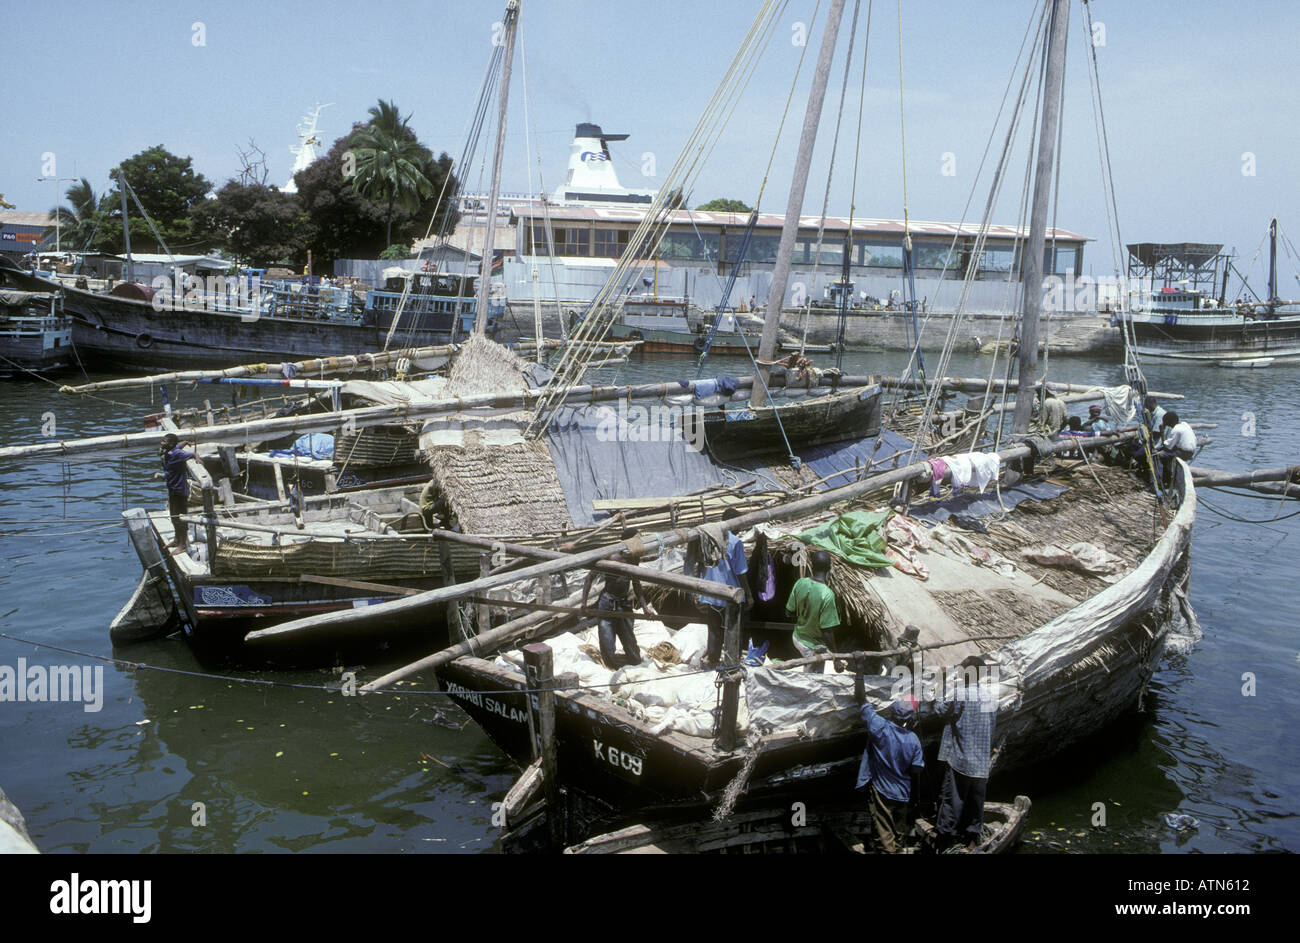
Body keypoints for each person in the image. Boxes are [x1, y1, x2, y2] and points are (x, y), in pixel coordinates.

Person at [934, 655, 996, 851]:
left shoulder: (960, 694)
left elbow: (940, 710)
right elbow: (992, 726)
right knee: (976, 802)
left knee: (953, 801)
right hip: (981, 762)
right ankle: (972, 839)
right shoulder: (990, 697)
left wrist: (940, 683)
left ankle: (945, 840)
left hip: (961, 760)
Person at [856, 697, 925, 853]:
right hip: (902, 794)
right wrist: (915, 798)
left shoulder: (879, 727)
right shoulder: (914, 740)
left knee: (884, 839)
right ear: (911, 718)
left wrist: (859, 674)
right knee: (897, 837)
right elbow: (916, 771)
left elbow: (860, 699)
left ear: (892, 712)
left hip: (882, 792)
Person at [689, 509, 752, 669]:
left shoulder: (708, 539)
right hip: (731, 596)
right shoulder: (735, 542)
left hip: (711, 594)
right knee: (733, 631)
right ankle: (732, 665)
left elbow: (698, 565)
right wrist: (749, 595)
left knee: (714, 631)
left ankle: (712, 662)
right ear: (732, 523)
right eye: (739, 523)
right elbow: (741, 572)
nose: (741, 527)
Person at [582, 533, 656, 668]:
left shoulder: (633, 559)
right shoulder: (610, 556)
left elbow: (636, 582)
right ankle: (611, 668)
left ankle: (636, 664)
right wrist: (583, 604)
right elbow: (589, 578)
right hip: (607, 603)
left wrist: (645, 607)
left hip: (624, 602)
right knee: (607, 640)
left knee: (629, 638)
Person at [785, 549, 840, 673]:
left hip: (797, 637)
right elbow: (827, 631)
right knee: (813, 680)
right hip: (812, 645)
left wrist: (805, 617)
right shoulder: (827, 594)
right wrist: (836, 658)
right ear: (829, 568)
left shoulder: (800, 583)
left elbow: (789, 612)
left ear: (812, 565)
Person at [159, 433, 195, 552]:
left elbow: (192, 454)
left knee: (181, 518)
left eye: (164, 441)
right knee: (173, 516)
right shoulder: (170, 451)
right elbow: (179, 445)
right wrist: (186, 442)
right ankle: (176, 539)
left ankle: (183, 544)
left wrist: (197, 458)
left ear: (170, 444)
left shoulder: (177, 454)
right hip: (172, 488)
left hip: (180, 490)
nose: (161, 443)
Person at [1154, 410, 1196, 489]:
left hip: (1184, 452)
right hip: (1190, 450)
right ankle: (1166, 476)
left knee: (1158, 456)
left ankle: (1159, 482)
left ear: (1168, 423)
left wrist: (1162, 431)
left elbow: (1167, 447)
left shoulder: (1176, 430)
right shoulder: (1184, 424)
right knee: (1161, 451)